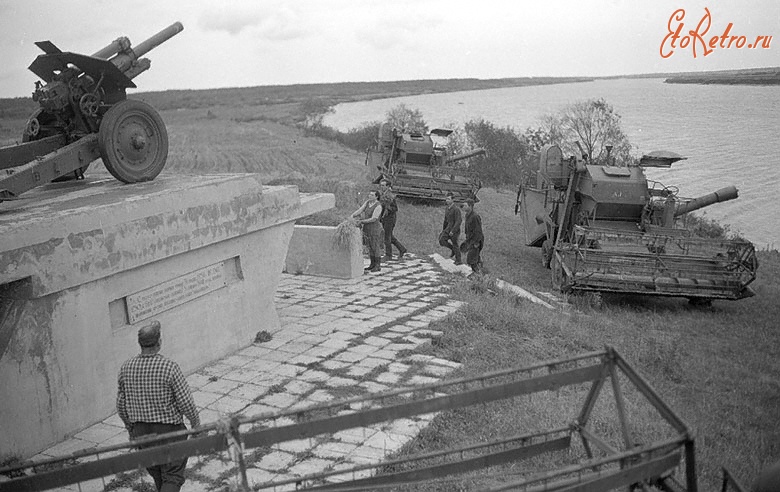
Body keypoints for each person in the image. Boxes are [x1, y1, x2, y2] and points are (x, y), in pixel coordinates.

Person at [117, 321, 200, 492]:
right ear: (159, 342)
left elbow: (121, 404)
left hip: (142, 432)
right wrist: (195, 424)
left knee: (157, 472)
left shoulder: (126, 367)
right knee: (172, 475)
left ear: (140, 344)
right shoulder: (169, 367)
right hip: (169, 432)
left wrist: (130, 428)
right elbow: (185, 402)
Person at [351, 190, 385, 273]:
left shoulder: (378, 206)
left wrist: (362, 221)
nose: (370, 196)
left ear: (376, 196)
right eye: (369, 194)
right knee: (369, 246)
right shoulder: (367, 203)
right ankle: (372, 264)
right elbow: (360, 210)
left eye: (372, 195)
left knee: (375, 246)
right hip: (367, 228)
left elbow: (374, 218)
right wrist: (352, 216)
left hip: (375, 228)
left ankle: (377, 265)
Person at [379, 180, 407, 261]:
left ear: (388, 186)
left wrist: (388, 208)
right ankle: (402, 249)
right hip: (384, 218)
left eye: (384, 185)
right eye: (381, 185)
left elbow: (395, 208)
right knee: (390, 236)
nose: (382, 187)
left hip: (390, 218)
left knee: (387, 237)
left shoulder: (390, 196)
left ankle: (388, 255)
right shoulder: (382, 195)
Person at [460, 198, 484, 273]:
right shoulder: (467, 215)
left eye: (465, 205)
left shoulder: (475, 216)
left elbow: (478, 231)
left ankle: (477, 274)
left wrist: (476, 243)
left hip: (476, 240)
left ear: (470, 206)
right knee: (474, 257)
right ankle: (480, 268)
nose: (463, 207)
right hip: (470, 239)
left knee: (471, 260)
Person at [439, 192, 462, 265]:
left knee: (455, 244)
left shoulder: (456, 209)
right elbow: (445, 220)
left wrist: (453, 231)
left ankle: (459, 260)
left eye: (448, 199)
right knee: (441, 240)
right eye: (446, 199)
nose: (447, 200)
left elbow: (458, 221)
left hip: (454, 230)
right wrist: (444, 230)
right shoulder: (447, 208)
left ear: (453, 200)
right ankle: (452, 249)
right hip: (448, 228)